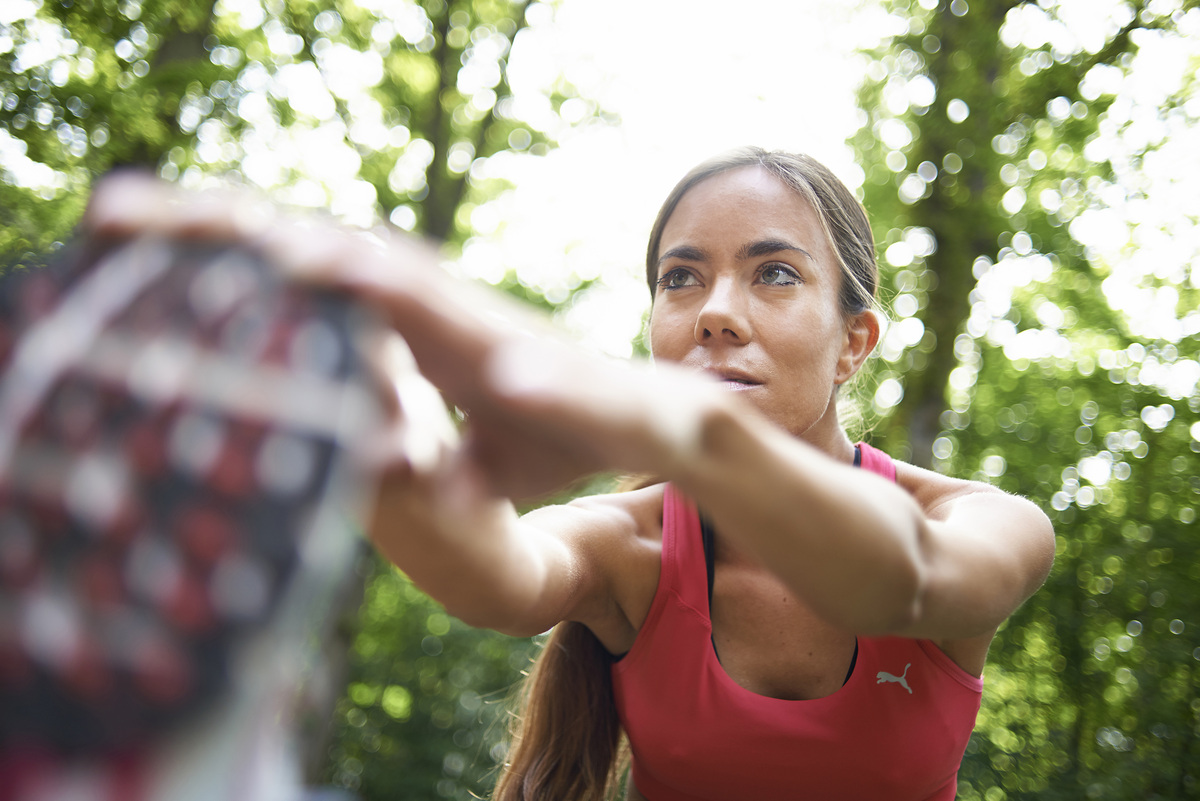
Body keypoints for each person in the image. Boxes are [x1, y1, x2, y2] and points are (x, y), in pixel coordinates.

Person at [81, 147, 1056, 801]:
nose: (715, 310)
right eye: (682, 277)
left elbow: (904, 580)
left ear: (855, 342)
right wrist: (364, 402)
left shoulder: (981, 523)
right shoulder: (632, 547)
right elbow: (495, 572)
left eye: (774, 273)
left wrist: (673, 427)